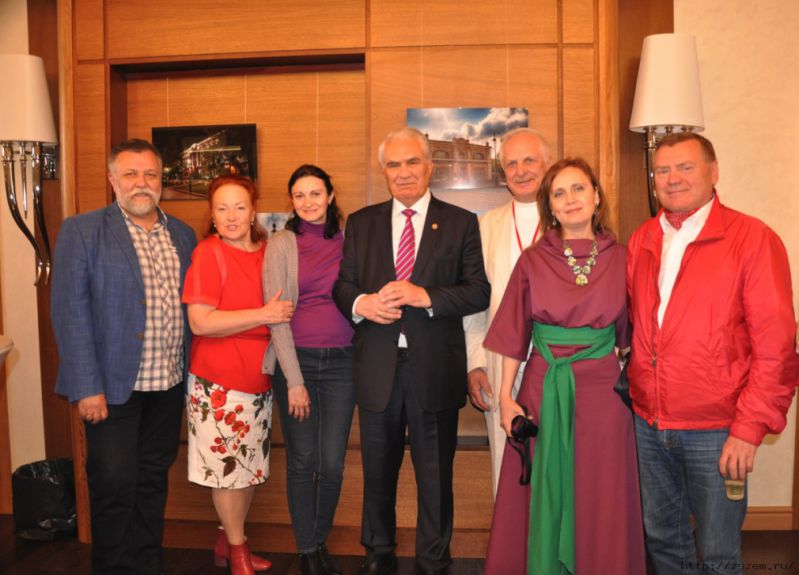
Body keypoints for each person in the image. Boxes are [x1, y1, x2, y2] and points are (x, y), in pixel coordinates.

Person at [627, 132, 798, 575]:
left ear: (714, 172)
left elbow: (776, 348)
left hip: (718, 429)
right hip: (649, 424)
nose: (673, 179)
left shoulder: (753, 239)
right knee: (663, 542)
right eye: (662, 170)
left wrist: (748, 429)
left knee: (719, 552)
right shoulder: (643, 239)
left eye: (685, 167)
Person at [333, 127, 490, 575]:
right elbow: (343, 286)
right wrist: (362, 304)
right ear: (384, 172)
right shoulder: (361, 222)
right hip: (377, 370)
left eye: (412, 162)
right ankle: (377, 554)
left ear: (430, 166)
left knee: (435, 478)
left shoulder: (460, 222)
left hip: (434, 372)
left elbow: (478, 291)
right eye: (393, 165)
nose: (403, 172)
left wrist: (426, 296)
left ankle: (434, 560)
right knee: (377, 474)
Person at [483, 158, 646, 574]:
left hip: (604, 396)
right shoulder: (532, 260)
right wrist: (505, 399)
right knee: (544, 486)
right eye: (559, 193)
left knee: (600, 488)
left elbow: (632, 337)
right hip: (542, 387)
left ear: (596, 197)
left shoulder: (624, 258)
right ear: (550, 207)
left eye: (578, 189)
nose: (570, 199)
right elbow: (513, 334)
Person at [51, 138, 197, 574]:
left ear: (161, 181)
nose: (141, 183)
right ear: (112, 179)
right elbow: (69, 312)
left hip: (168, 384)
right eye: (130, 174)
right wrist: (86, 387)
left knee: (152, 480)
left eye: (150, 174)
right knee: (114, 483)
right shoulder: (83, 231)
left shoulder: (183, 234)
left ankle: (146, 564)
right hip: (111, 389)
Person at [182, 174, 293, 575]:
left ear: (253, 212)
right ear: (212, 215)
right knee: (228, 474)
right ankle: (238, 552)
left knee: (247, 471)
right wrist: (263, 315)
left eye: (239, 207)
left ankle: (226, 542)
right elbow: (201, 322)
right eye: (222, 208)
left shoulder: (267, 252)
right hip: (217, 384)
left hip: (259, 381)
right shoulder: (208, 253)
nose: (231, 216)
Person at [262, 165, 354, 575]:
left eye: (315, 193)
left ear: (331, 196)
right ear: (292, 200)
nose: (308, 202)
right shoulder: (281, 243)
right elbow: (276, 316)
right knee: (303, 460)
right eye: (299, 195)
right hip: (295, 362)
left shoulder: (349, 241)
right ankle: (307, 550)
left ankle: (318, 540)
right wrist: (295, 380)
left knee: (332, 463)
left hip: (343, 364)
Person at [463, 127, 553, 494]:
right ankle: (510, 533)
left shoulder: (568, 219)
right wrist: (475, 363)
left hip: (556, 360)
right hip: (499, 362)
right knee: (507, 465)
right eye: (512, 164)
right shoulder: (486, 226)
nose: (521, 171)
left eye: (529, 160)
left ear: (548, 164)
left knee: (557, 463)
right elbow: (475, 304)